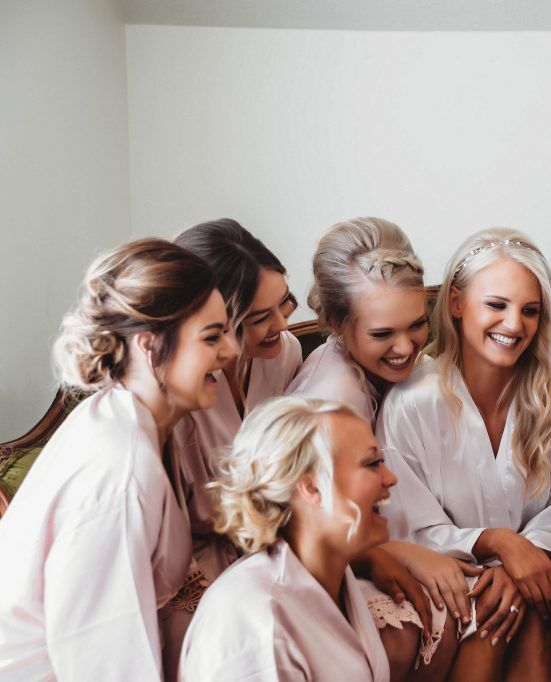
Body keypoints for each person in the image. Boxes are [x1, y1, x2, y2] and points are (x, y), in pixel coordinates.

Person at [0, 239, 236, 680]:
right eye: (212, 336)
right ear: (150, 346)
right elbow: (104, 662)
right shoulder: (121, 468)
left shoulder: (124, 419)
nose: (232, 351)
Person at [378, 228, 551, 681]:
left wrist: (522, 561)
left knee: (531, 622)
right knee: (501, 624)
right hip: (446, 574)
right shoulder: (412, 402)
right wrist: (497, 543)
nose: (514, 325)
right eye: (497, 305)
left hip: (544, 571)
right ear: (457, 304)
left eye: (530, 311)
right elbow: (406, 522)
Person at [287, 217, 466, 680]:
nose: (405, 348)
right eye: (382, 335)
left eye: (416, 326)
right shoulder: (337, 394)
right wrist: (397, 554)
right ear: (338, 324)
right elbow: (304, 517)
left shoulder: (391, 373)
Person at [162, 219, 303, 676]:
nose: (283, 325)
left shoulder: (287, 355)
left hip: (277, 541)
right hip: (192, 564)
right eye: (260, 318)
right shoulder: (180, 390)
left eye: (284, 304)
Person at [179, 396, 394, 681]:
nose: (390, 477)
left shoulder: (334, 578)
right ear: (311, 486)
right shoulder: (257, 622)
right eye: (372, 463)